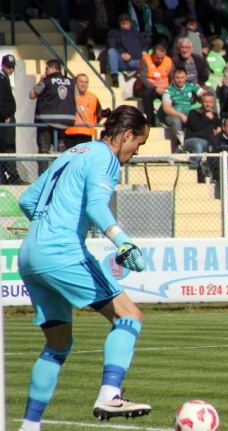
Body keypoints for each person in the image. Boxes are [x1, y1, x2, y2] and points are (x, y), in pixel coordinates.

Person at [17, 105, 153, 430]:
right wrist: (123, 241)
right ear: (127, 135)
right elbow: (95, 205)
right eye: (139, 144)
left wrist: (46, 227)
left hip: (30, 253)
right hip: (61, 251)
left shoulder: (72, 153)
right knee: (129, 316)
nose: (136, 152)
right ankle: (110, 393)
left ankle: (29, 426)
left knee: (57, 344)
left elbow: (26, 199)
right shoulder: (106, 157)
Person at [29, 59, 91, 175]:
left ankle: (42, 177)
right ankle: (62, 174)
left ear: (52, 69)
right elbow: (76, 104)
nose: (45, 71)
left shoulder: (46, 81)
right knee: (61, 149)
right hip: (64, 121)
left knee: (44, 151)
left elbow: (32, 95)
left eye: (46, 69)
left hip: (46, 121)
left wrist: (40, 81)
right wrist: (85, 120)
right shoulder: (71, 83)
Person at [162, 67, 206, 149]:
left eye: (182, 77)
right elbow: (166, 108)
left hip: (189, 113)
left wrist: (199, 98)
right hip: (174, 115)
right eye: (177, 78)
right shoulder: (169, 90)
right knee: (176, 120)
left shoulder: (190, 86)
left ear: (186, 77)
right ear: (174, 78)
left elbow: (205, 94)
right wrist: (181, 115)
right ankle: (180, 144)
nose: (180, 80)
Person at [0, 54, 26, 184]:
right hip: (5, 119)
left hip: (6, 118)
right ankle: (11, 176)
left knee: (6, 146)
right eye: (8, 67)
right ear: (2, 65)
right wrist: (5, 115)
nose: (11, 70)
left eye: (12, 67)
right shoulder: (1, 78)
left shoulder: (4, 78)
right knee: (8, 147)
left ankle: (5, 176)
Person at [107, 14, 149, 88]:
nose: (124, 22)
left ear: (130, 22)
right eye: (122, 20)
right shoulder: (114, 33)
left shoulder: (137, 33)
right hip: (123, 63)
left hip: (137, 62)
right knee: (111, 51)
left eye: (126, 20)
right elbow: (111, 45)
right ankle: (115, 78)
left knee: (148, 62)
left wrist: (145, 50)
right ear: (118, 22)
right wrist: (121, 54)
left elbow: (145, 43)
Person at [65, 74, 104, 149]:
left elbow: (98, 114)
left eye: (86, 82)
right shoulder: (69, 96)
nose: (83, 84)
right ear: (75, 83)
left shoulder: (93, 97)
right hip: (70, 134)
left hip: (87, 134)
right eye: (81, 82)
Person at [139, 44, 173, 127]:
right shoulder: (146, 60)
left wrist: (168, 89)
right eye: (157, 57)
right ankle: (151, 121)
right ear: (153, 54)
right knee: (146, 94)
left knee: (173, 96)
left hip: (165, 88)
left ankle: (164, 119)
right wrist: (155, 88)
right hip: (151, 88)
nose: (160, 60)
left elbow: (172, 78)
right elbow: (143, 78)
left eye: (162, 57)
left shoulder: (169, 60)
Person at [183, 92, 220, 157]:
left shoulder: (215, 115)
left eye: (210, 102)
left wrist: (219, 127)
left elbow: (220, 123)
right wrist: (207, 118)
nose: (208, 104)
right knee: (198, 146)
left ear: (213, 103)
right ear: (201, 102)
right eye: (206, 102)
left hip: (208, 141)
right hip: (192, 140)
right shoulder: (194, 112)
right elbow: (195, 126)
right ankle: (193, 166)